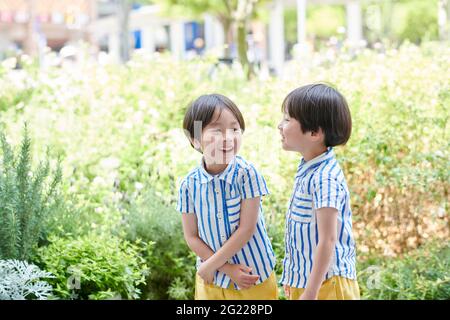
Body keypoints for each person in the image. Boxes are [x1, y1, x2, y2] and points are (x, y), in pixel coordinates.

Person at [177, 93, 278, 300]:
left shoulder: (247, 174)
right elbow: (191, 236)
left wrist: (213, 265)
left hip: (252, 278)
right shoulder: (189, 185)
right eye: (217, 130)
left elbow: (246, 229)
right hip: (211, 280)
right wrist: (225, 268)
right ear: (195, 139)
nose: (229, 137)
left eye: (234, 129)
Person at [278, 83, 360, 300]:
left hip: (327, 285)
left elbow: (328, 239)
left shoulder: (325, 177)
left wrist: (310, 292)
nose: (280, 125)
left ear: (314, 132)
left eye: (287, 119)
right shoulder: (308, 167)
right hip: (308, 282)